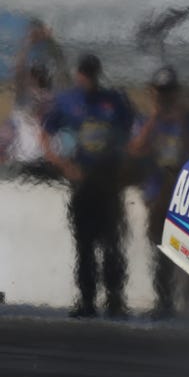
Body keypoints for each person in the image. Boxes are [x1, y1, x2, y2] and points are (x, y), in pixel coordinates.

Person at [41, 53, 134, 318]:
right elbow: (45, 132)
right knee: (84, 243)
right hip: (82, 179)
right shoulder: (67, 101)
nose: (88, 78)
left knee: (113, 242)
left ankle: (115, 299)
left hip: (107, 179)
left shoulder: (113, 101)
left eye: (92, 73)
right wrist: (62, 164)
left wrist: (124, 164)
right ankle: (87, 299)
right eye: (84, 72)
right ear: (78, 73)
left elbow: (129, 132)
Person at [128, 65, 189, 319]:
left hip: (185, 191)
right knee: (161, 249)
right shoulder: (147, 120)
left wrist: (181, 118)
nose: (165, 96)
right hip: (158, 192)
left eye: (169, 91)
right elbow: (135, 149)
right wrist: (155, 118)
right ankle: (165, 301)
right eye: (161, 92)